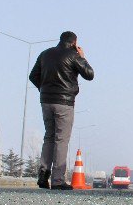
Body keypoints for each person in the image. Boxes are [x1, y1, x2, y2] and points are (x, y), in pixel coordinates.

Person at [29, 31, 94, 190]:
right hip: (64, 103)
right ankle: (58, 180)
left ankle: (43, 176)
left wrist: (44, 89)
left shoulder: (45, 54)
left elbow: (33, 76)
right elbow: (90, 74)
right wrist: (82, 56)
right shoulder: (73, 56)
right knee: (61, 140)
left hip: (46, 101)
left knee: (49, 137)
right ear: (74, 42)